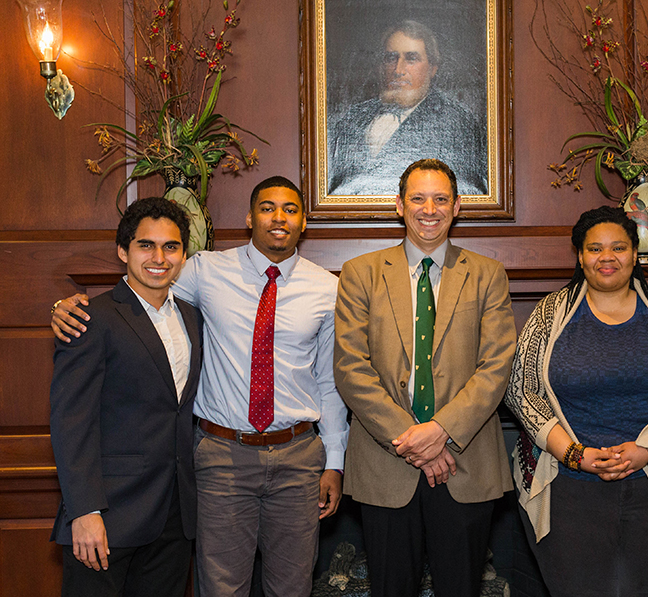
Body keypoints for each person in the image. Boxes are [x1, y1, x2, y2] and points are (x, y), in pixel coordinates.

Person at [51, 176, 350, 597]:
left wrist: (334, 460)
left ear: (304, 222)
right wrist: (64, 305)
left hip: (297, 457)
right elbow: (139, 291)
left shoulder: (327, 288)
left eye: (290, 209)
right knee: (221, 589)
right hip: (221, 458)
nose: (278, 217)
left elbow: (329, 380)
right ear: (249, 217)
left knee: (293, 587)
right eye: (266, 207)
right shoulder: (205, 270)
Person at [504, 206, 648, 597]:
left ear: (635, 255)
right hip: (568, 492)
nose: (607, 257)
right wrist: (576, 455)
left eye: (619, 247)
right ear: (580, 256)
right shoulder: (549, 314)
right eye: (595, 248)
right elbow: (521, 391)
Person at [333, 159, 515, 597]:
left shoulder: (487, 274)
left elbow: (496, 366)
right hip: (386, 463)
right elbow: (350, 367)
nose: (428, 209)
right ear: (399, 205)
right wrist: (413, 440)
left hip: (466, 465)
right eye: (417, 198)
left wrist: (441, 431)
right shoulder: (361, 273)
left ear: (456, 207)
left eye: (440, 199)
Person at [49, 198, 201, 596]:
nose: (159, 258)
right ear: (123, 251)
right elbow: (71, 422)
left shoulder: (192, 317)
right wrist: (83, 511)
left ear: (184, 255)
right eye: (145, 245)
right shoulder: (90, 318)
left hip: (174, 516)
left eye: (170, 247)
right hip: (107, 515)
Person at [327, 20, 487, 196]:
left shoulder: (459, 124)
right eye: (391, 58)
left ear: (432, 68)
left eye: (411, 58)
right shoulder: (354, 118)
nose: (398, 70)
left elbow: (469, 192)